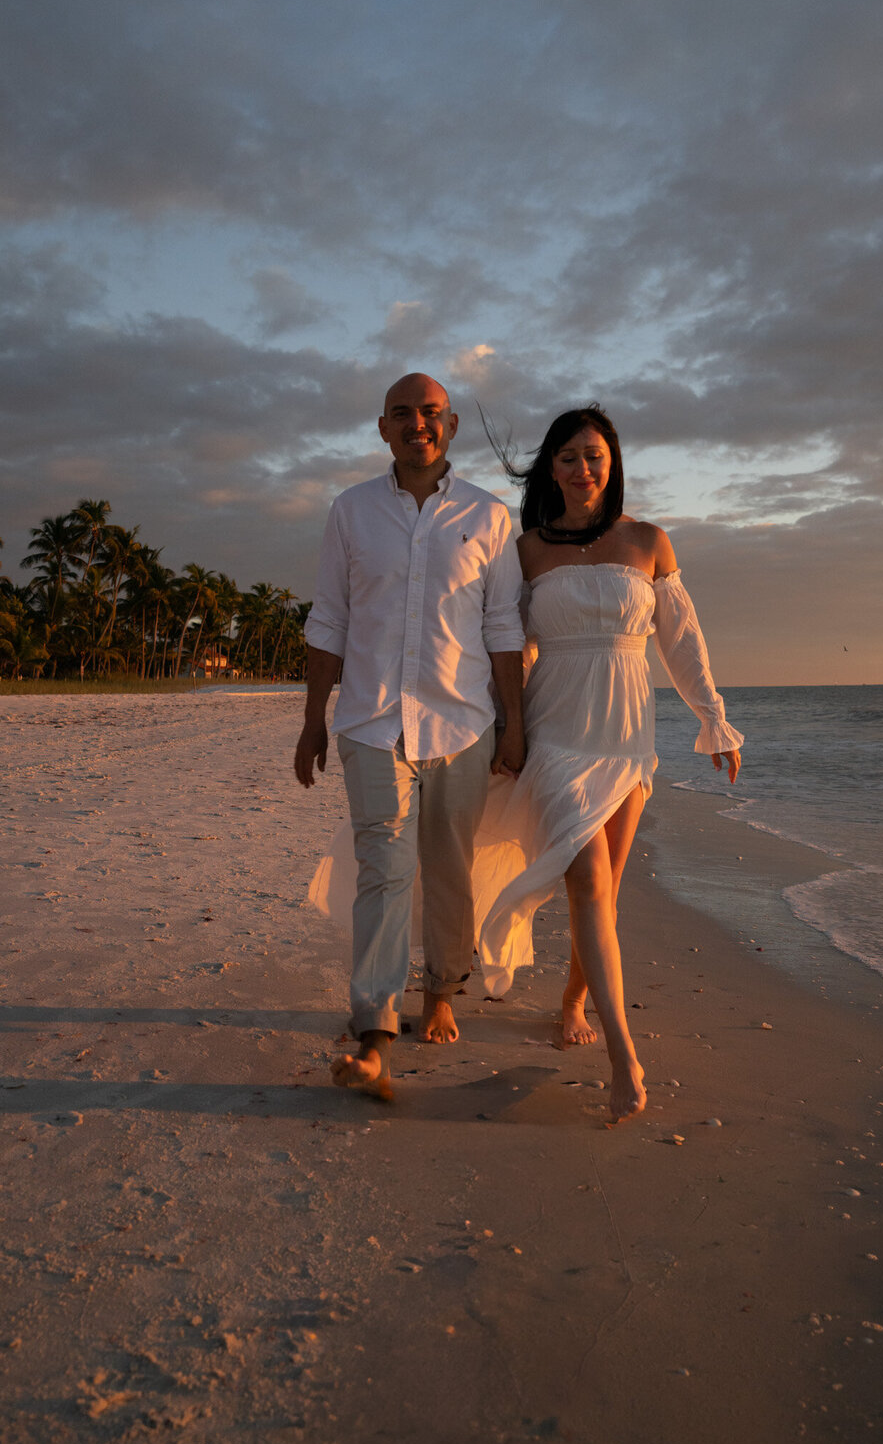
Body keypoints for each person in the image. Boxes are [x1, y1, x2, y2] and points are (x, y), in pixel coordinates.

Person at [471, 405, 743, 1124]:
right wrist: (507, 729)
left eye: (594, 456)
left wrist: (713, 720)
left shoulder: (649, 542)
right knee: (588, 878)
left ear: (612, 463)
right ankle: (624, 1057)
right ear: (549, 468)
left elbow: (681, 641)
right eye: (568, 457)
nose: (582, 469)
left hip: (626, 737)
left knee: (605, 894)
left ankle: (572, 1003)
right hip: (556, 734)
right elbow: (506, 647)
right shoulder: (527, 552)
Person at [294, 372, 525, 1099]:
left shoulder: (490, 518)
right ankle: (373, 1029)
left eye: (431, 414)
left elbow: (503, 628)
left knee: (450, 866)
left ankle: (444, 991)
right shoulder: (351, 512)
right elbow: (329, 617)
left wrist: (514, 724)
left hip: (464, 723)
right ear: (383, 429)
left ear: (451, 426)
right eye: (403, 414)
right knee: (385, 870)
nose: (417, 424)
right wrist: (312, 722)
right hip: (370, 720)